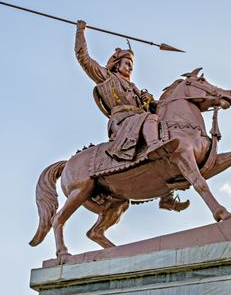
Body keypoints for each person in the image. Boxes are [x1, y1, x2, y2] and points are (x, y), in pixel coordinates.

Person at [74, 20, 189, 212]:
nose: (129, 68)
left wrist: (150, 101)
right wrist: (80, 31)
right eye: (126, 63)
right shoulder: (106, 78)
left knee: (163, 129)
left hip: (139, 121)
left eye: (131, 65)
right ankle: (154, 146)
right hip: (122, 122)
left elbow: (154, 108)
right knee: (151, 121)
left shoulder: (135, 88)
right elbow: (83, 57)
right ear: (116, 64)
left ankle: (166, 196)